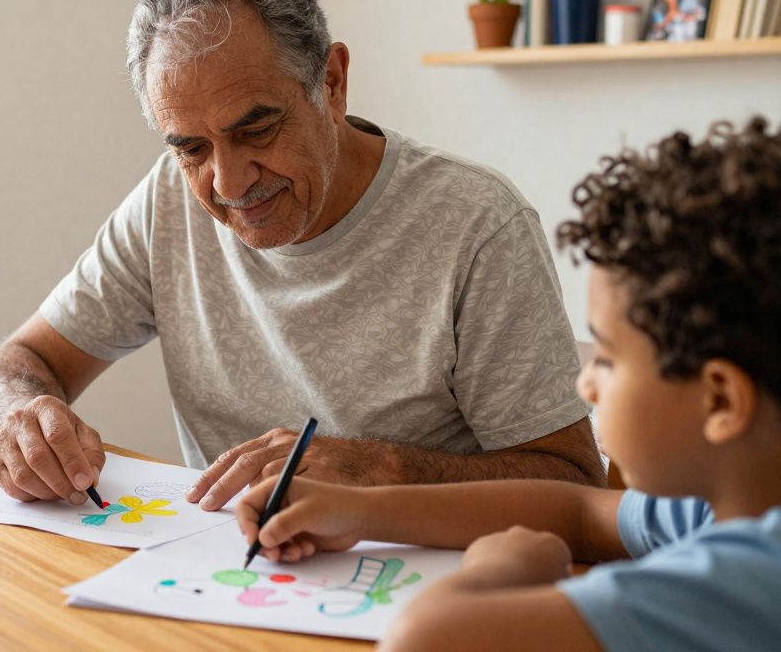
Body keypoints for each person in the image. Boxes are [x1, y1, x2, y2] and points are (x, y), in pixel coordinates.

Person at [0, 0, 602, 510]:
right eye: (191, 148)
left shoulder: (476, 225)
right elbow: (17, 364)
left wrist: (381, 470)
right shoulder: (168, 200)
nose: (229, 183)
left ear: (331, 83)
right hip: (227, 578)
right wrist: (21, 420)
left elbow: (574, 485)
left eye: (255, 130)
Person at [235, 118, 781, 651]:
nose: (587, 384)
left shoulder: (747, 577)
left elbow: (419, 641)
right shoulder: (724, 505)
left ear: (721, 400)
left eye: (608, 360)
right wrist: (357, 510)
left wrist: (499, 571)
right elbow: (579, 512)